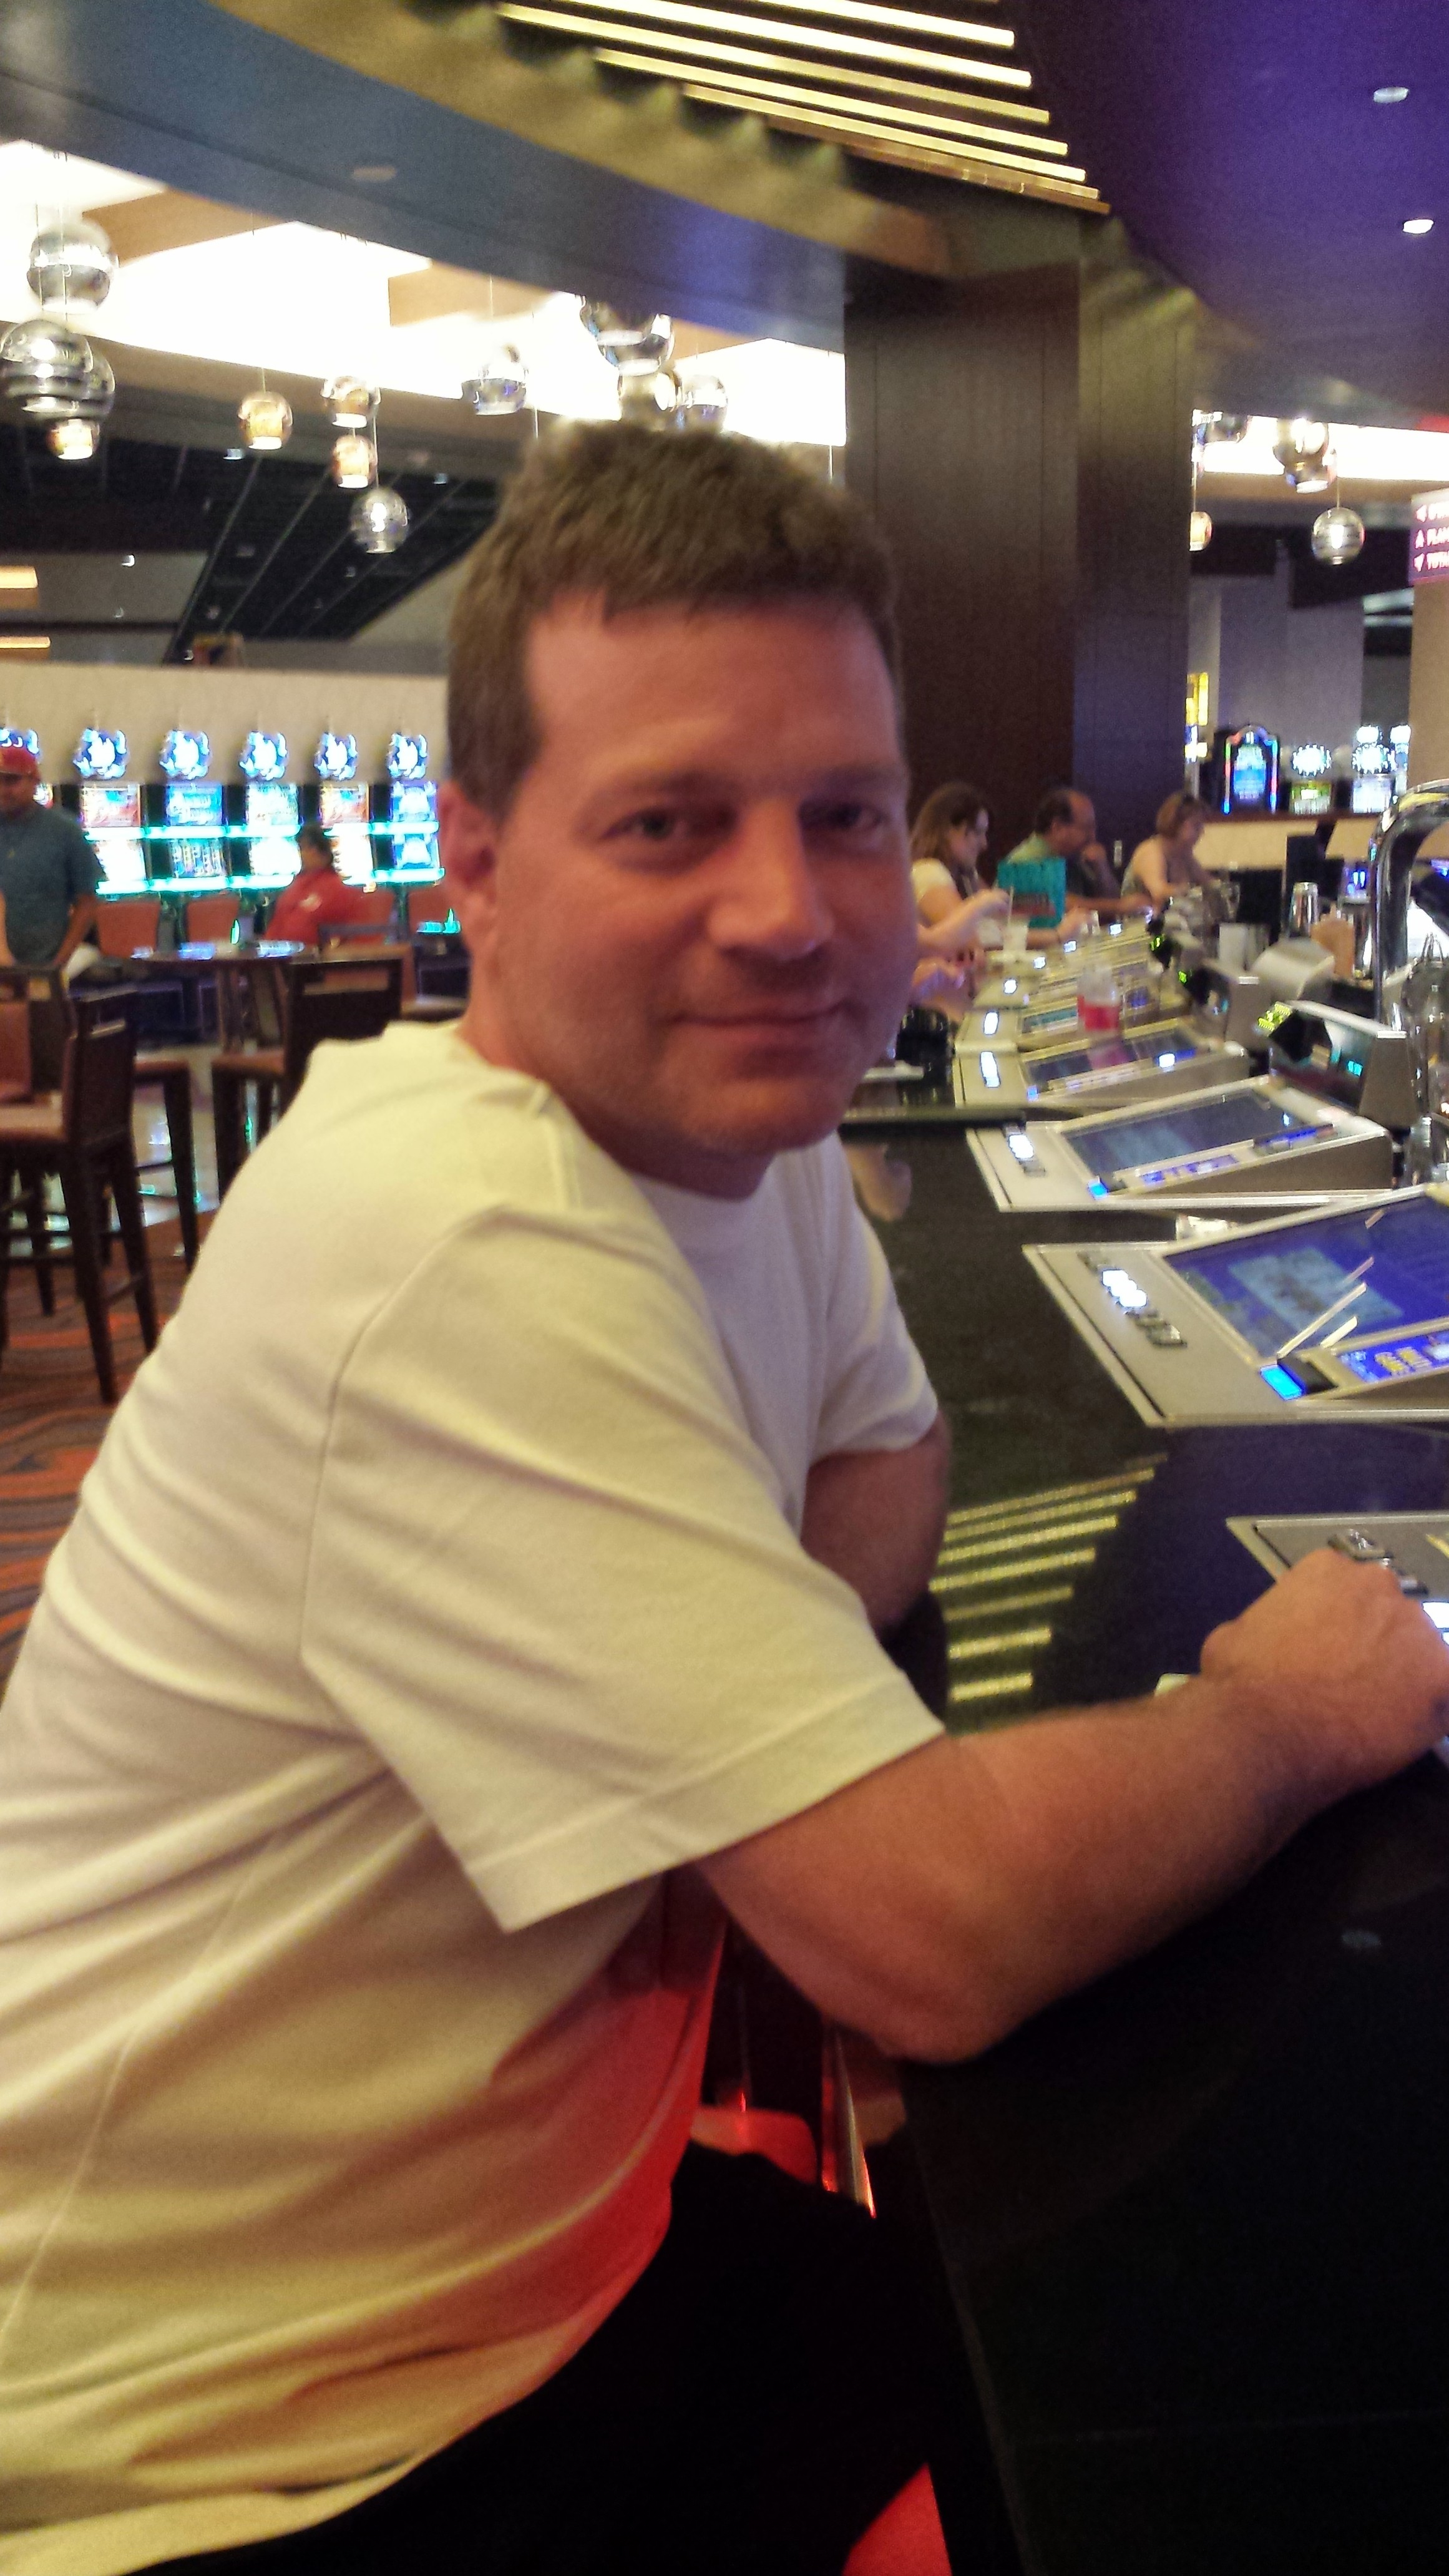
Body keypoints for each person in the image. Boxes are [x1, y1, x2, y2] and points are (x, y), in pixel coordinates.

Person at [1, 424, 1445, 2576]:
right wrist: (1290, 1707)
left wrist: (691, 1704)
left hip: (529, 2285)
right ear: (478, 859)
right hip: (220, 2444)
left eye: (842, 813)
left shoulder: (741, 1140)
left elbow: (896, 1454)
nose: (782, 910)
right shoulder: (455, 1229)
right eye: (669, 820)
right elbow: (938, 1933)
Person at [0, 740, 100, 970]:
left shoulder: (65, 831)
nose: (4, 790)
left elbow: (87, 902)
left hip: (47, 962)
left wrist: (59, 963)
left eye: (12, 781)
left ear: (35, 782)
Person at [998, 786, 1148, 934]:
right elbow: (1058, 904)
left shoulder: (1074, 857)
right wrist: (1118, 906)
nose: (1093, 836)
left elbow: (1110, 902)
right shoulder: (1025, 861)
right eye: (1086, 828)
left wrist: (1102, 870)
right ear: (1058, 828)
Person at [908, 781, 1009, 957]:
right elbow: (970, 943)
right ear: (948, 830)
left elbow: (1001, 925)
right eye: (977, 832)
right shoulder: (929, 871)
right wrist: (981, 904)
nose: (984, 844)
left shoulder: (964, 875)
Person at [266, 821, 382, 944]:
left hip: (313, 955)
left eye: (309, 848)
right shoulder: (294, 888)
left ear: (323, 852)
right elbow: (276, 927)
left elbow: (353, 937)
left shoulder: (338, 891)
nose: (304, 854)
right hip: (280, 953)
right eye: (302, 848)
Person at [1123, 789, 1215, 909]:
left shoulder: (1184, 855)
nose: (1201, 832)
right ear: (1176, 823)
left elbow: (1211, 885)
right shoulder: (1152, 851)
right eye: (1196, 826)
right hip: (1140, 920)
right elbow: (1159, 893)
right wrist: (1193, 891)